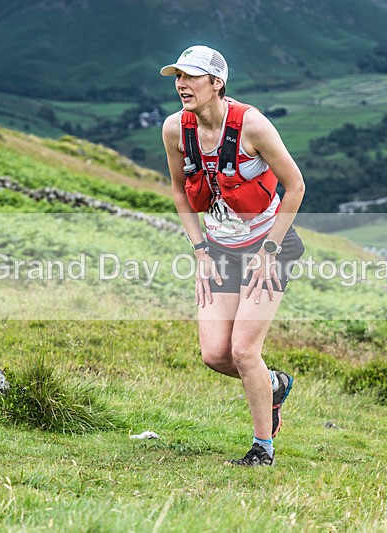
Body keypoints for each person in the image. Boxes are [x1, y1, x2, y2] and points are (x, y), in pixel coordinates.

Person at [160, 45, 306, 466]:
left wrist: (269, 250)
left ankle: (263, 449)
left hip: (270, 246)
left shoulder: (252, 126)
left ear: (217, 83)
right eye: (178, 76)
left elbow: (295, 186)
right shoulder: (175, 129)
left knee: (243, 351)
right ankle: (273, 384)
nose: (181, 84)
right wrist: (200, 250)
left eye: (191, 76)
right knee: (215, 355)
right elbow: (178, 191)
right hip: (219, 249)